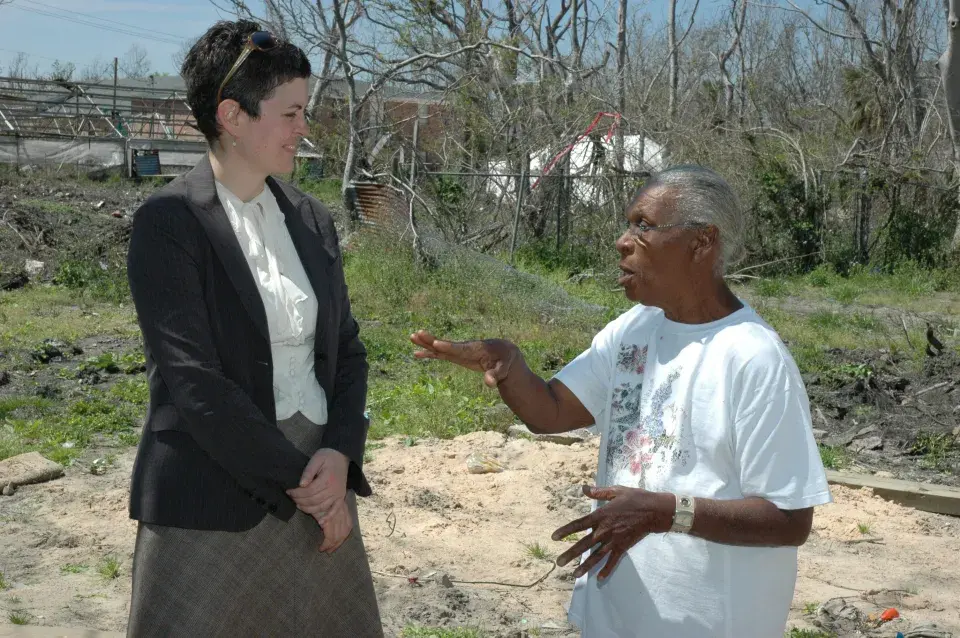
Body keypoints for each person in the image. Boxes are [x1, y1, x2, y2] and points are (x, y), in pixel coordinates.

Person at [411, 165, 832, 638]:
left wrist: (667, 511)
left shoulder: (753, 358)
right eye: (629, 224)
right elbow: (550, 412)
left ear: (701, 242)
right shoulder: (634, 329)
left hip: (707, 623)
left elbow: (790, 519)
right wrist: (511, 366)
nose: (623, 240)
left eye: (644, 226)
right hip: (614, 618)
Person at [124, 20, 381, 636]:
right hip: (215, 492)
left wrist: (340, 453)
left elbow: (346, 351)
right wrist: (305, 484)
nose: (303, 129)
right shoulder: (169, 221)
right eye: (291, 113)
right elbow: (195, 384)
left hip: (319, 475)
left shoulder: (310, 218)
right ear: (233, 117)